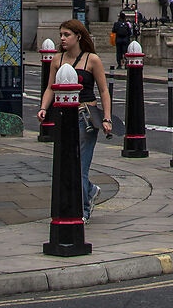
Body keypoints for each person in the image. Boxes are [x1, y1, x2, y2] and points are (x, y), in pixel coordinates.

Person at [43, 20, 114, 218]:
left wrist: (107, 118)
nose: (63, 39)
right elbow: (50, 87)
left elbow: (103, 90)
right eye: (61, 35)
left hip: (86, 117)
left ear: (78, 36)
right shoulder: (57, 60)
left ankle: (82, 209)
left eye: (67, 35)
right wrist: (43, 108)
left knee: (80, 165)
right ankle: (90, 191)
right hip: (64, 117)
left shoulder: (92, 60)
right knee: (67, 163)